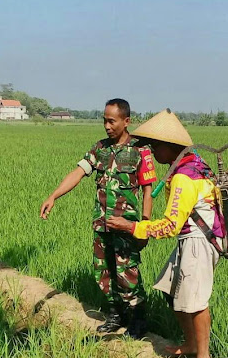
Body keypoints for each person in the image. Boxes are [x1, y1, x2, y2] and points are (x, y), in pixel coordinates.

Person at [107, 109, 223, 358]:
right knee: (170, 289)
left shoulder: (184, 176)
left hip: (198, 241)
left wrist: (132, 226)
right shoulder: (192, 163)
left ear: (168, 146)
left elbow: (171, 225)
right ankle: (192, 343)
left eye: (154, 146)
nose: (151, 152)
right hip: (192, 238)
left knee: (196, 301)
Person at [40, 98, 157, 339]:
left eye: (111, 121)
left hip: (126, 226)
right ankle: (115, 315)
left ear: (126, 121)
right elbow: (78, 172)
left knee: (128, 272)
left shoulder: (140, 150)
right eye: (104, 120)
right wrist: (54, 196)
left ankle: (138, 319)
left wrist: (144, 226)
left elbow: (148, 190)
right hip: (101, 224)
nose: (106, 126)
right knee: (103, 271)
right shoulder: (100, 149)